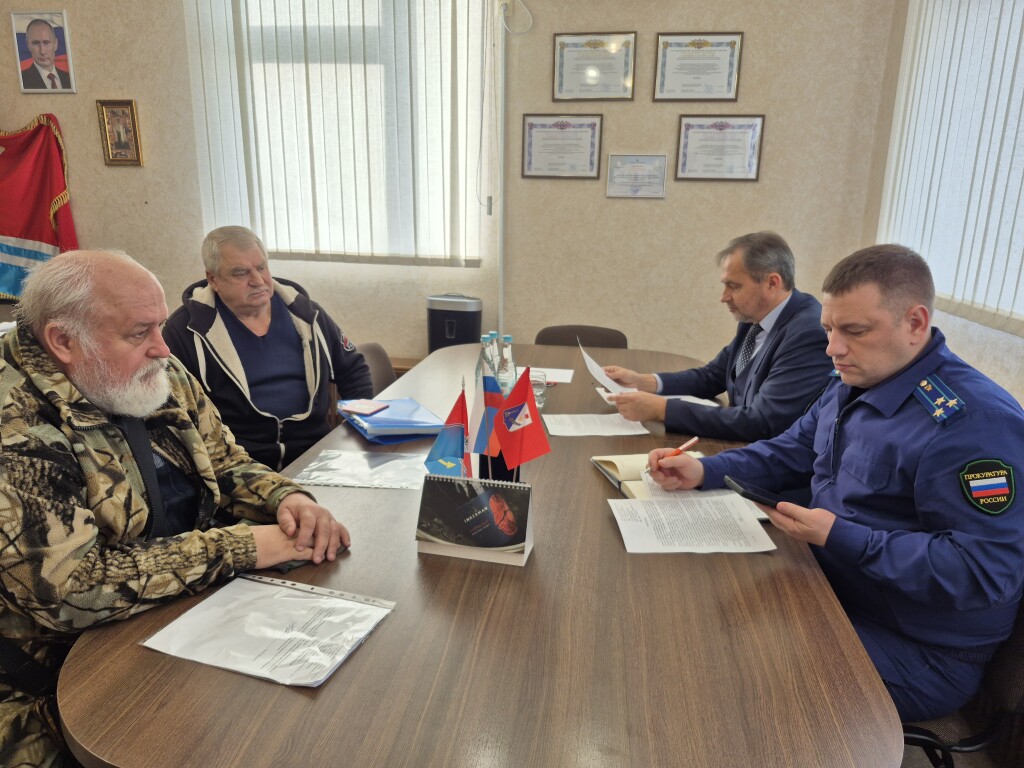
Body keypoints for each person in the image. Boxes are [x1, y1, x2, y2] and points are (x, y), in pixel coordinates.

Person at [0, 250, 350, 767]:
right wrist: (241, 547)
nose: (163, 348)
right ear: (64, 341)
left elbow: (224, 459)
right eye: (139, 332)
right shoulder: (14, 424)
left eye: (160, 325)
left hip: (177, 616)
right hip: (54, 677)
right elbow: (69, 592)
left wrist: (286, 498)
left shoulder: (149, 364)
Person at [648, 244, 1024, 721]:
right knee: (701, 613)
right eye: (829, 329)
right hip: (834, 587)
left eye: (855, 331)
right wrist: (706, 470)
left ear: (915, 323)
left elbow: (982, 572)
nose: (833, 348)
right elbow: (794, 448)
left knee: (733, 674)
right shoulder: (856, 378)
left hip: (919, 649)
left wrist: (841, 536)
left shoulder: (973, 425)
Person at [164, 226, 373, 470]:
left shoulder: (306, 314)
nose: (258, 281)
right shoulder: (185, 331)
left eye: (262, 268)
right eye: (241, 273)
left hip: (316, 456)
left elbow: (353, 370)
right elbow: (173, 411)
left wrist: (358, 431)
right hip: (239, 467)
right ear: (213, 279)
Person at [604, 232, 833, 442]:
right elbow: (713, 376)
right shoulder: (755, 317)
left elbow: (762, 422)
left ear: (772, 283)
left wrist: (662, 410)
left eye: (734, 286)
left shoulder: (807, 333)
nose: (724, 297)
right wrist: (643, 382)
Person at [20, 19, 71, 90]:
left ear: (55, 44)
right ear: (28, 45)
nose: (42, 51)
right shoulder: (21, 81)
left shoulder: (69, 78)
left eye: (46, 43)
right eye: (36, 43)